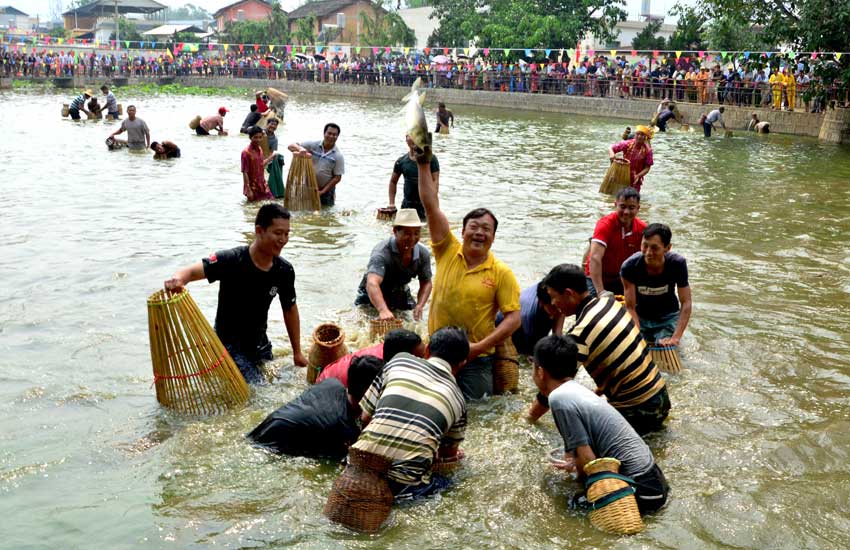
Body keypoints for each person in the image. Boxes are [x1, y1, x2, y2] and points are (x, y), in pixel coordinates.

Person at [416, 146, 521, 400]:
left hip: (476, 357)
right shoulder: (447, 250)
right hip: (437, 350)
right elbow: (431, 206)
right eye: (473, 226)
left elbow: (514, 318)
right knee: (427, 402)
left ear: (493, 238)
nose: (479, 233)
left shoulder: (501, 272)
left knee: (475, 411)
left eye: (486, 229)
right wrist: (422, 163)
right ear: (462, 232)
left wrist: (479, 347)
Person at [163, 204, 308, 384]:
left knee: (280, 383)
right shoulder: (232, 260)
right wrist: (178, 279)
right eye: (278, 233)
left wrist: (297, 353)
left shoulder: (284, 270)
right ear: (259, 231)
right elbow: (191, 272)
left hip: (260, 344)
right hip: (228, 346)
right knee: (259, 392)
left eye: (287, 234)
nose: (283, 239)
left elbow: (290, 309)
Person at [531, 334, 669, 514]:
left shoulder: (558, 398)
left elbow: (588, 460)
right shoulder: (575, 389)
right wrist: (574, 462)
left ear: (541, 372)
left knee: (566, 507)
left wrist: (575, 480)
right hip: (656, 483)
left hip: (641, 492)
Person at [527, 264, 670, 435]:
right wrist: (596, 395)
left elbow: (553, 386)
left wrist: (528, 420)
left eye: (553, 297)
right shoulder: (610, 304)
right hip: (660, 399)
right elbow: (617, 361)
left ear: (568, 294)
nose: (552, 303)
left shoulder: (579, 335)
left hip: (637, 412)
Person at [351, 326, 469, 499]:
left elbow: (366, 417)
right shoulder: (459, 400)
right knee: (450, 482)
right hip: (404, 484)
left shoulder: (399, 361)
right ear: (463, 363)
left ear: (427, 350)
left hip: (359, 463)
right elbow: (447, 457)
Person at [246, 355, 384, 459]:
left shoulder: (333, 383)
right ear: (369, 394)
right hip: (265, 449)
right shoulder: (343, 428)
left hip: (263, 429)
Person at [621, 223, 692, 347]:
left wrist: (676, 337)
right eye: (645, 246)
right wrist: (636, 334)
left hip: (667, 317)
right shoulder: (629, 267)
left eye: (654, 248)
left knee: (666, 347)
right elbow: (630, 307)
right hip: (640, 318)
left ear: (667, 248)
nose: (648, 252)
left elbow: (686, 302)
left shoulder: (677, 264)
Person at [354, 209, 433, 321]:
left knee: (411, 322)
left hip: (399, 290)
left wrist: (420, 305)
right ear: (395, 231)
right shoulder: (381, 252)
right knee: (365, 322)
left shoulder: (423, 253)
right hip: (371, 294)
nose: (412, 238)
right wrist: (382, 310)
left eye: (416, 233)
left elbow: (426, 282)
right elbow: (372, 283)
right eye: (407, 233)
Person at [584, 187, 646, 298]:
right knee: (592, 305)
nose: (626, 212)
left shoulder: (642, 229)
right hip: (596, 277)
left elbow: (647, 259)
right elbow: (595, 258)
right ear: (615, 205)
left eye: (631, 208)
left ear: (638, 208)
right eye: (622, 207)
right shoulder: (605, 225)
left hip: (621, 277)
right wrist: (600, 291)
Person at [317, 329, 425, 387]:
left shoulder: (388, 347)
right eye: (419, 358)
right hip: (328, 387)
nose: (423, 361)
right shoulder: (376, 371)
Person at [496, 281, 565, 355]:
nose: (560, 310)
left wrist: (557, 338)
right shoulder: (529, 317)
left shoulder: (553, 292)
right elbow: (536, 349)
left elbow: (560, 312)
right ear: (541, 303)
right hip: (507, 326)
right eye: (554, 309)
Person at [288, 123, 344, 207]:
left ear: (337, 137)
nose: (331, 136)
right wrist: (301, 149)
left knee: (325, 214)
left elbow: (337, 178)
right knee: (305, 209)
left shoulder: (338, 156)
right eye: (329, 133)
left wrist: (322, 191)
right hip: (308, 186)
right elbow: (290, 146)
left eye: (334, 135)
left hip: (326, 191)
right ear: (324, 133)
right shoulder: (313, 145)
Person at [388, 134, 440, 220]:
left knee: (425, 231)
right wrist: (391, 203)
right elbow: (393, 182)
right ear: (406, 139)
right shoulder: (401, 161)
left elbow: (435, 181)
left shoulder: (431, 159)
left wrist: (432, 202)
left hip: (425, 205)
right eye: (411, 135)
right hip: (407, 205)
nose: (414, 139)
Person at [607, 125, 653, 192]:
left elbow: (647, 168)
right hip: (622, 174)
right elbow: (610, 147)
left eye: (642, 135)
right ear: (635, 135)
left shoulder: (648, 151)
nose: (639, 136)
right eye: (638, 134)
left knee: (633, 198)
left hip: (635, 178)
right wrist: (612, 154)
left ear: (645, 137)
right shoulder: (628, 144)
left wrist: (638, 176)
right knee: (617, 195)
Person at [242, 125, 276, 202]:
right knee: (253, 209)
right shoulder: (246, 153)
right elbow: (245, 172)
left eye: (260, 137)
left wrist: (271, 157)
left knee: (271, 202)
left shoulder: (260, 149)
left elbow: (261, 166)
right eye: (255, 137)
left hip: (262, 184)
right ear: (250, 137)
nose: (258, 139)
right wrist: (248, 189)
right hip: (252, 187)